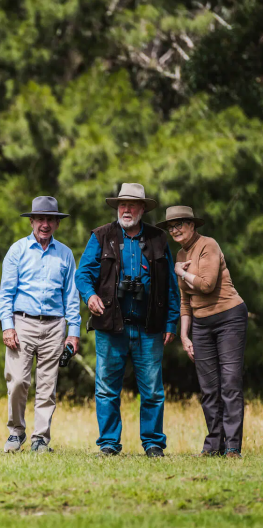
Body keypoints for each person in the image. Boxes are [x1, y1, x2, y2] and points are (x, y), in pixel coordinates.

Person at [75, 183, 180, 458]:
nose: (126, 209)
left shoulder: (159, 239)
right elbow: (82, 274)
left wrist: (171, 323)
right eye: (122, 204)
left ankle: (153, 443)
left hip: (149, 326)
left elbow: (170, 285)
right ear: (117, 208)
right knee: (107, 389)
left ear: (143, 208)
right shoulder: (101, 236)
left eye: (132, 205)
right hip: (111, 326)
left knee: (153, 390)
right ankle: (109, 443)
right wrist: (90, 296)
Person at [158, 206, 247, 459]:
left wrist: (182, 272)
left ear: (192, 225)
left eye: (180, 224)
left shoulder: (208, 245)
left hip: (229, 317)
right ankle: (213, 445)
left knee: (229, 383)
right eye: (171, 226)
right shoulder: (180, 255)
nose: (175, 230)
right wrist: (185, 336)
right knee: (208, 387)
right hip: (201, 324)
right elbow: (186, 302)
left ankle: (232, 447)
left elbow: (207, 285)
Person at [0, 196, 81, 453]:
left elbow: (71, 296)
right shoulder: (18, 250)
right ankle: (16, 432)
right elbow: (5, 293)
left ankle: (40, 438)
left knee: (47, 384)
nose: (45, 224)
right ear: (32, 221)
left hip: (55, 325)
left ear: (56, 224)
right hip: (22, 323)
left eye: (50, 220)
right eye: (40, 219)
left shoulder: (65, 254)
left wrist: (73, 333)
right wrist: (7, 325)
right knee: (18, 381)